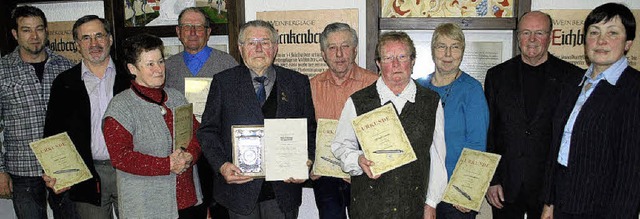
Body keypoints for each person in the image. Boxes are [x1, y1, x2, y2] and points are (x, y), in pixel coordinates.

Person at [196, 20, 316, 218]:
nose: (259, 48)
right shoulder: (223, 82)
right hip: (239, 193)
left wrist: (307, 161)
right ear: (241, 48)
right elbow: (208, 131)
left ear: (275, 48)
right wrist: (222, 165)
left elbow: (310, 130)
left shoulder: (297, 82)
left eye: (266, 42)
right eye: (252, 42)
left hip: (283, 193)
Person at [331, 31, 447, 219]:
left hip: (414, 207)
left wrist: (431, 203)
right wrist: (358, 159)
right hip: (368, 207)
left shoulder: (431, 102)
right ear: (378, 63)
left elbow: (438, 157)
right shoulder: (358, 101)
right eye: (388, 58)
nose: (396, 64)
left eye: (402, 57)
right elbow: (340, 146)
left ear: (413, 60)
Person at [542, 3, 640, 218]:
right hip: (564, 202)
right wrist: (549, 202)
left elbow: (632, 171)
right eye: (594, 32)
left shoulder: (634, 89)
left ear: (628, 43)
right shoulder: (572, 84)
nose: (601, 40)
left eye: (612, 33)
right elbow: (558, 148)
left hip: (603, 209)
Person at [483, 11, 583, 219]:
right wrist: (491, 180)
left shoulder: (572, 78)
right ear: (518, 36)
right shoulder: (497, 76)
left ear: (550, 36)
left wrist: (559, 191)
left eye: (539, 33)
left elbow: (573, 139)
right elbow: (490, 131)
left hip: (549, 188)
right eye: (526, 32)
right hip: (506, 186)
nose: (532, 39)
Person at [102, 33, 202, 218]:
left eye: (161, 61)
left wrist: (190, 155)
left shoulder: (176, 98)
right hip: (146, 206)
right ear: (133, 68)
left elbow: (197, 134)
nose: (159, 69)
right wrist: (167, 164)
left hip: (187, 201)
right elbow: (121, 157)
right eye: (150, 64)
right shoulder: (121, 107)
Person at [42, 15, 130, 219]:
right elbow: (53, 132)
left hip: (130, 171)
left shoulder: (130, 77)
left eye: (99, 36)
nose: (94, 44)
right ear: (77, 45)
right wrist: (54, 171)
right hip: (87, 175)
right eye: (86, 38)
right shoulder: (64, 83)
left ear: (109, 39)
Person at [0, 5, 75, 218]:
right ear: (15, 34)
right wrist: (0, 170)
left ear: (46, 31)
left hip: (64, 167)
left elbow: (77, 119)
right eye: (26, 30)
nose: (34, 36)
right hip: (23, 169)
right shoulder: (2, 70)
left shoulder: (66, 67)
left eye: (39, 29)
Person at [165, 7, 238, 219]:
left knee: (221, 209)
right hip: (182, 152)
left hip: (219, 150)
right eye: (187, 27)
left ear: (208, 32)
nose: (193, 32)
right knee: (190, 210)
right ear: (178, 32)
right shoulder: (167, 68)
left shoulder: (228, 64)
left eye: (199, 27)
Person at [416, 23, 489, 219]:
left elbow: (477, 145)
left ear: (462, 52)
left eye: (455, 46)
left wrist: (466, 191)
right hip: (421, 189)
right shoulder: (417, 87)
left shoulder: (472, 90)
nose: (448, 54)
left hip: (454, 193)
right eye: (441, 46)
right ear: (433, 51)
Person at [309, 22, 378, 219]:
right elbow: (306, 130)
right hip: (326, 176)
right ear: (323, 53)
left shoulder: (374, 84)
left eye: (345, 46)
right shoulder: (311, 86)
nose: (339, 54)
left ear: (355, 50)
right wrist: (309, 162)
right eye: (332, 48)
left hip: (363, 173)